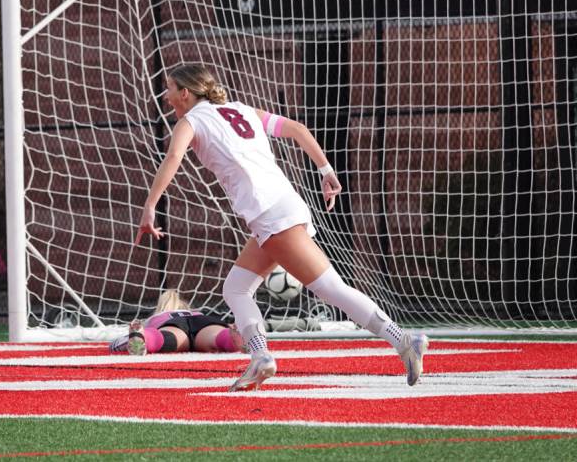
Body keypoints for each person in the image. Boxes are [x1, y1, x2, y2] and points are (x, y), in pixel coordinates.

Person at [134, 63, 429, 392]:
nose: (167, 96)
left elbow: (173, 157)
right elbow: (299, 129)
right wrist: (326, 169)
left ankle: (405, 339)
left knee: (330, 289)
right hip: (280, 208)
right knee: (236, 288)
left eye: (170, 89)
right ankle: (260, 357)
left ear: (185, 93)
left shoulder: (190, 121)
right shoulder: (242, 110)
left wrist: (150, 206)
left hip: (271, 213)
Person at [109, 289, 244, 355]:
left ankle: (145, 338)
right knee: (216, 337)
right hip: (202, 321)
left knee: (162, 338)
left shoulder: (157, 317)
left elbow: (116, 345)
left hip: (174, 324)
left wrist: (117, 344)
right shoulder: (195, 311)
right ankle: (232, 337)